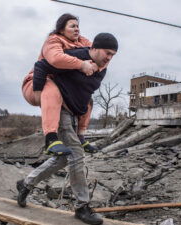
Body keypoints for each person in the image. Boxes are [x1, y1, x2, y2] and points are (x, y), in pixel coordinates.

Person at [17, 33, 118, 225]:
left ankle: (26, 183)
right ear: (95, 48)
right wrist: (40, 93)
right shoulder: (76, 55)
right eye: (107, 53)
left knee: (64, 157)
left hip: (73, 112)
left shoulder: (102, 69)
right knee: (77, 155)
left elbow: (84, 92)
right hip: (59, 108)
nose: (109, 58)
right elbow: (42, 65)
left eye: (113, 55)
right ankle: (82, 206)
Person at [22, 13, 99, 156]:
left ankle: (81, 136)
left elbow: (97, 53)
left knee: (88, 100)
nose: (77, 29)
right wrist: (81, 64)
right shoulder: (53, 40)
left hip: (63, 87)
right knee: (51, 88)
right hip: (37, 83)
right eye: (72, 26)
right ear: (62, 30)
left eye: (78, 26)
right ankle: (51, 139)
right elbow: (55, 59)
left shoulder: (82, 41)